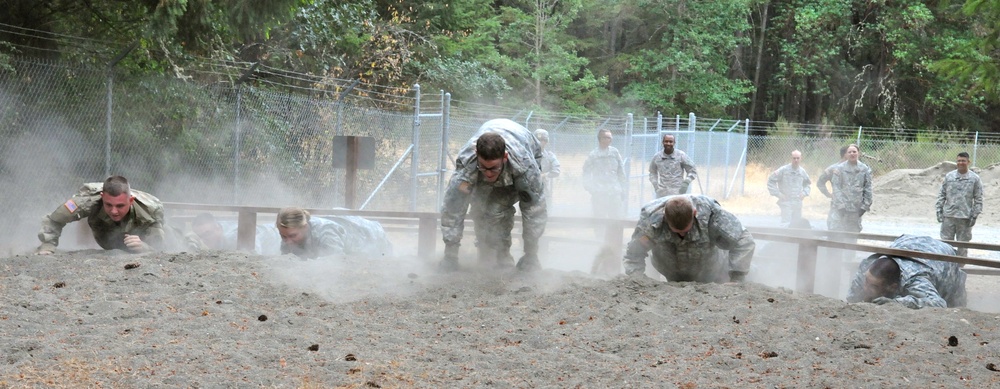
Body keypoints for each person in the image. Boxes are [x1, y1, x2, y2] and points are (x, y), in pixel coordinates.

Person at [439, 119, 546, 271]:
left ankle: (503, 255)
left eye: (493, 168)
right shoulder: (467, 165)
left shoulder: (525, 167)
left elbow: (534, 210)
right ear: (477, 155)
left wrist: (531, 254)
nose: (488, 174)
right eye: (484, 168)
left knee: (497, 210)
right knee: (479, 208)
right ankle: (485, 252)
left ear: (505, 157)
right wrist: (450, 255)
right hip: (486, 165)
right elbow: (453, 208)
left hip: (523, 153)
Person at [36, 175, 186, 254]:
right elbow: (54, 219)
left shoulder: (149, 212)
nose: (114, 211)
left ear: (131, 200)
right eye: (109, 205)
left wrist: (145, 247)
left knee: (181, 241)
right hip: (109, 239)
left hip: (143, 236)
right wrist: (48, 245)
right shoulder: (88, 201)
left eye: (120, 206)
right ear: (102, 197)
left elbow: (160, 249)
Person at [622, 195, 755, 283]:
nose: (681, 236)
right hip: (671, 274)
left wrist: (737, 278)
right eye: (676, 232)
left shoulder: (711, 215)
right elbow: (634, 253)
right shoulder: (651, 221)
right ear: (665, 218)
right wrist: (637, 278)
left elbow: (744, 241)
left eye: (685, 231)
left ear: (694, 214)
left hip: (711, 272)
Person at [846, 234, 967, 309]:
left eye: (873, 286)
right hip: (908, 242)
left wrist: (898, 303)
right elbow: (851, 298)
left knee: (956, 306)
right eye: (867, 281)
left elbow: (939, 304)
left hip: (941, 255)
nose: (866, 287)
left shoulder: (915, 279)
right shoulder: (867, 267)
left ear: (892, 287)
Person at [275, 207, 393, 259]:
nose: (287, 241)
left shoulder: (327, 232)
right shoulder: (289, 235)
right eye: (283, 236)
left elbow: (335, 261)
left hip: (373, 238)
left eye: (292, 236)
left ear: (305, 227)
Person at [935, 152, 983, 257]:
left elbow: (978, 199)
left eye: (963, 161)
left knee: (963, 246)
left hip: (965, 218)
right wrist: (939, 210)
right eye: (959, 161)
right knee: (945, 245)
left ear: (968, 162)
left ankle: (961, 269)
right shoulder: (949, 176)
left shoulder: (975, 179)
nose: (960, 163)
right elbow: (942, 194)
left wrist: (974, 215)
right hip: (949, 217)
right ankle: (947, 269)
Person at [816, 144, 872, 233]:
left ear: (858, 153)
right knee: (835, 231)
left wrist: (864, 206)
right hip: (839, 207)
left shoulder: (864, 169)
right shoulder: (836, 169)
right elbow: (822, 183)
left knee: (852, 233)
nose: (852, 154)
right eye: (849, 152)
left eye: (854, 152)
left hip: (855, 208)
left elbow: (868, 188)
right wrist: (829, 195)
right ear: (845, 154)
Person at [582, 128, 627, 218]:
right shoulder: (593, 155)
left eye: (610, 138)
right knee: (599, 222)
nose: (608, 140)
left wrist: (623, 189)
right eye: (606, 137)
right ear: (600, 139)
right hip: (600, 194)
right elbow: (585, 174)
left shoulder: (615, 152)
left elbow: (621, 172)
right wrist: (592, 190)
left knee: (616, 220)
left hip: (615, 194)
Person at [191, 213, 282, 255]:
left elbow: (254, 254)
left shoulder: (233, 236)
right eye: (200, 236)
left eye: (207, 234)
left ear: (217, 229)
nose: (204, 240)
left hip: (276, 236)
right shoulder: (218, 227)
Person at [767, 150, 811, 224]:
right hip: (786, 201)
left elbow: (807, 184)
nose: (796, 160)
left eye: (798, 158)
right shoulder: (783, 170)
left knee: (797, 225)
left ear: (801, 158)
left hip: (797, 202)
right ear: (791, 158)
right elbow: (770, 181)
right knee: (786, 224)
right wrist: (779, 194)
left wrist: (804, 193)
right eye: (794, 158)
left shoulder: (802, 172)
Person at [534, 129, 561, 201]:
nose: (539, 142)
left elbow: (556, 171)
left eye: (542, 140)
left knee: (545, 210)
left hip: (543, 191)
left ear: (546, 142)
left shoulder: (549, 156)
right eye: (537, 140)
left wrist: (544, 175)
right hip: (529, 190)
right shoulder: (527, 155)